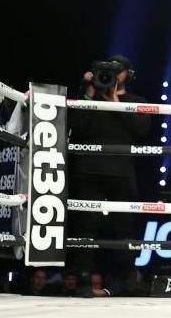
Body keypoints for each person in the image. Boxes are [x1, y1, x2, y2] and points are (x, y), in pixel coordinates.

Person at [68, 54, 151, 291]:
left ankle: (127, 280)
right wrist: (89, 91)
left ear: (128, 74)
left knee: (125, 228)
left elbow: (141, 129)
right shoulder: (88, 96)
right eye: (108, 70)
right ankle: (83, 279)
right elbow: (77, 126)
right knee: (86, 227)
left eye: (118, 70)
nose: (112, 74)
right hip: (89, 171)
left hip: (122, 173)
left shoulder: (136, 100)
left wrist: (114, 101)